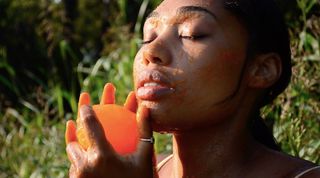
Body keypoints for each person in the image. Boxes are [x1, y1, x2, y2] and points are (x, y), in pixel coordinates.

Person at [65, 0, 320, 177]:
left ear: (262, 69)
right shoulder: (132, 169)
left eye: (191, 34)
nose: (151, 52)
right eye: (148, 36)